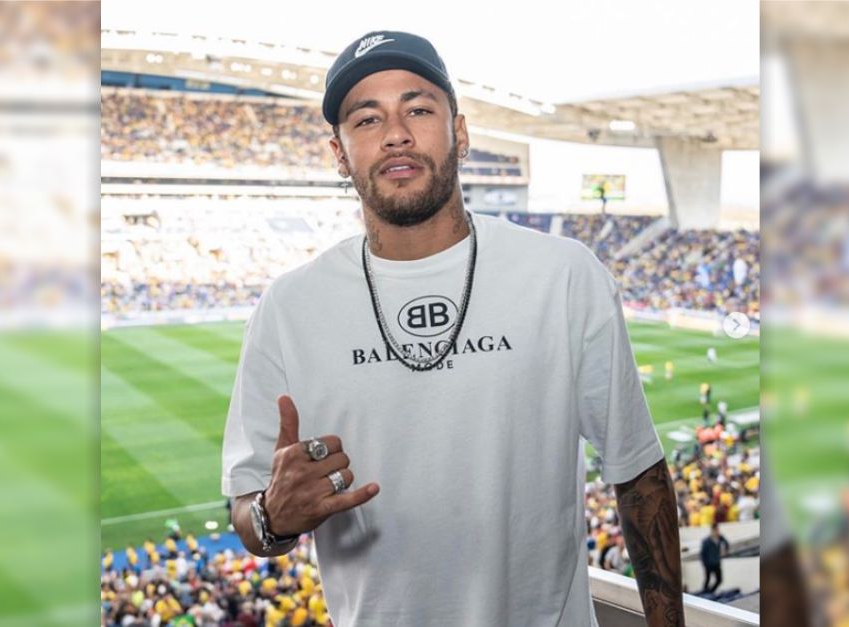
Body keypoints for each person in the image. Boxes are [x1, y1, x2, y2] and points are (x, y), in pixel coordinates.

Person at [221, 30, 684, 627]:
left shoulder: (563, 275)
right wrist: (272, 517)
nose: (396, 133)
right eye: (367, 119)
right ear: (339, 154)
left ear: (459, 134)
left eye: (417, 109)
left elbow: (639, 473)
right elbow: (248, 509)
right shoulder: (289, 307)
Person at [700, 523, 730, 594]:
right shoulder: (706, 541)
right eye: (715, 530)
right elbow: (702, 554)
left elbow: (727, 544)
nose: (717, 532)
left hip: (716, 562)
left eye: (717, 530)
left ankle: (711, 591)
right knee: (707, 579)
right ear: (712, 530)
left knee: (719, 579)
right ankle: (705, 592)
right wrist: (704, 564)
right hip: (708, 564)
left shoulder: (720, 538)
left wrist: (725, 550)